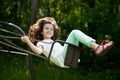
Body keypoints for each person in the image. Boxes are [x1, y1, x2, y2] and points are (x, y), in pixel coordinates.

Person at [21, 17, 113, 68]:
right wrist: (28, 41)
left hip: (69, 60)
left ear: (53, 32)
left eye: (51, 29)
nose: (49, 31)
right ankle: (97, 47)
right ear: (41, 31)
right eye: (46, 29)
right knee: (74, 32)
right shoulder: (41, 43)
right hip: (63, 59)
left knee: (76, 36)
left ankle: (96, 47)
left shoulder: (53, 42)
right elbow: (38, 51)